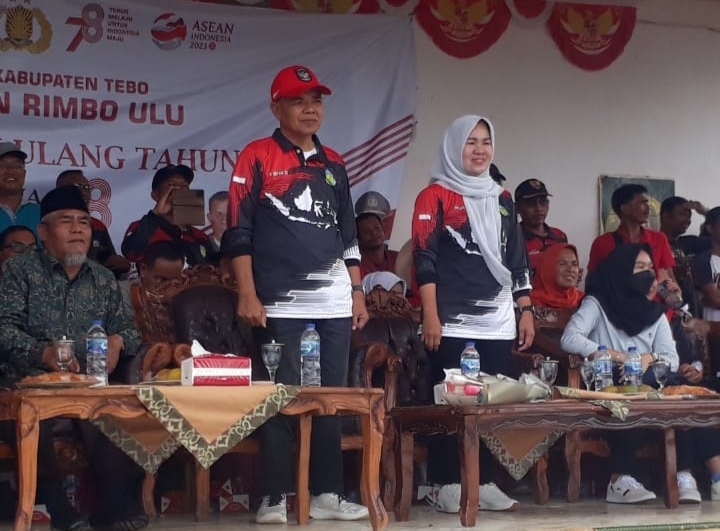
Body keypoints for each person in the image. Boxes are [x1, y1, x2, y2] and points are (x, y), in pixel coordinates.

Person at [222, 64, 369, 524]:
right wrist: (247, 293)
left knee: (329, 398)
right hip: (279, 302)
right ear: (276, 108)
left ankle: (327, 494)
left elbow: (349, 236)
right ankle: (273, 496)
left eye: (316, 100)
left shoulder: (335, 163)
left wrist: (357, 291)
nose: (310, 109)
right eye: (298, 101)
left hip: (335, 302)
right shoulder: (257, 156)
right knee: (280, 396)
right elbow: (238, 231)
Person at [0, 186, 146, 531]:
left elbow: (131, 331)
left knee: (112, 412)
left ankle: (113, 506)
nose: (78, 229)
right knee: (37, 418)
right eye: (66, 221)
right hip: (25, 386)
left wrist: (118, 341)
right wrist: (44, 353)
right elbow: (4, 328)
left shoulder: (102, 278)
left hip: (86, 385)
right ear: (43, 231)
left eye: (84, 222)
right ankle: (57, 509)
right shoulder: (19, 271)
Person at [412, 115, 533, 513]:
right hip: (451, 318)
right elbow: (424, 259)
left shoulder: (502, 199)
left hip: (498, 319)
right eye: (470, 142)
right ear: (453, 147)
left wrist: (525, 311)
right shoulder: (434, 197)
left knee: (490, 402)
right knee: (452, 401)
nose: (480, 150)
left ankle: (484, 481)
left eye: (485, 142)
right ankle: (445, 482)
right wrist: (431, 315)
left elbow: (517, 260)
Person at [561, 244, 685, 504]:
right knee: (629, 389)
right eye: (639, 267)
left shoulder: (655, 313)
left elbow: (671, 359)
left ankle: (686, 476)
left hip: (649, 381)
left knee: (686, 392)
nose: (647, 274)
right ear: (622, 270)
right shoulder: (597, 304)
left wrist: (649, 358)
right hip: (609, 382)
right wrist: (615, 355)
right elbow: (570, 338)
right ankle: (620, 480)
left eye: (650, 268)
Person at [588, 185, 678, 288]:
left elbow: (669, 280)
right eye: (643, 203)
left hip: (652, 297)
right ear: (625, 209)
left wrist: (674, 293)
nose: (648, 209)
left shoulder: (659, 239)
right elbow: (592, 283)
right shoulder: (602, 243)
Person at [121, 164, 210, 267]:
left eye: (184, 186)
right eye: (171, 185)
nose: (179, 189)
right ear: (155, 195)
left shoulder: (199, 236)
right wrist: (156, 214)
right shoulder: (141, 228)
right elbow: (131, 253)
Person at [56, 170, 131, 276]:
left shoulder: (98, 226)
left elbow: (112, 263)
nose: (85, 192)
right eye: (79, 187)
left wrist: (122, 266)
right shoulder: (50, 226)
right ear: (60, 192)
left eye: (88, 188)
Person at [660, 196, 709, 317]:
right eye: (682, 214)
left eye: (689, 216)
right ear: (666, 216)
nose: (688, 220)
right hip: (668, 313)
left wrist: (706, 213)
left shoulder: (688, 243)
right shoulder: (652, 243)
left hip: (693, 311)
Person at [514, 179, 568, 273]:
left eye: (543, 202)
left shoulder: (560, 236)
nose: (539, 209)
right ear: (517, 208)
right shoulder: (513, 239)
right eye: (531, 204)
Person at [0, 142, 40, 236]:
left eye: (17, 165)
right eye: (2, 165)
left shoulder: (40, 212)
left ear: (24, 173)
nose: (11, 171)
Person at [355, 191, 398, 277]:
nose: (374, 233)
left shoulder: (398, 259)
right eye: (367, 231)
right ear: (358, 238)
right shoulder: (355, 265)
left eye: (377, 228)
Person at [530, 243, 583, 311]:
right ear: (547, 268)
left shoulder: (585, 302)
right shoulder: (528, 306)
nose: (570, 269)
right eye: (562, 264)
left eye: (574, 264)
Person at [693, 207, 720, 322]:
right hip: (714, 327)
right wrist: (712, 300)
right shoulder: (703, 261)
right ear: (710, 228)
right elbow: (715, 300)